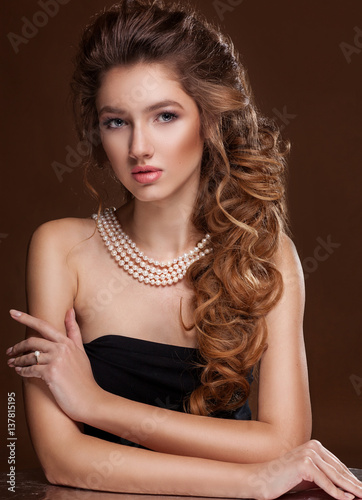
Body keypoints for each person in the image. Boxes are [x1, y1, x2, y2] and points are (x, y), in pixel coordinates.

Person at [6, 0, 362, 498]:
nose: (139, 147)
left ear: (209, 120)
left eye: (165, 116)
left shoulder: (266, 254)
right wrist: (251, 482)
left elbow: (283, 440)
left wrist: (96, 405)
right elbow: (63, 460)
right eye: (116, 122)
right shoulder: (61, 248)